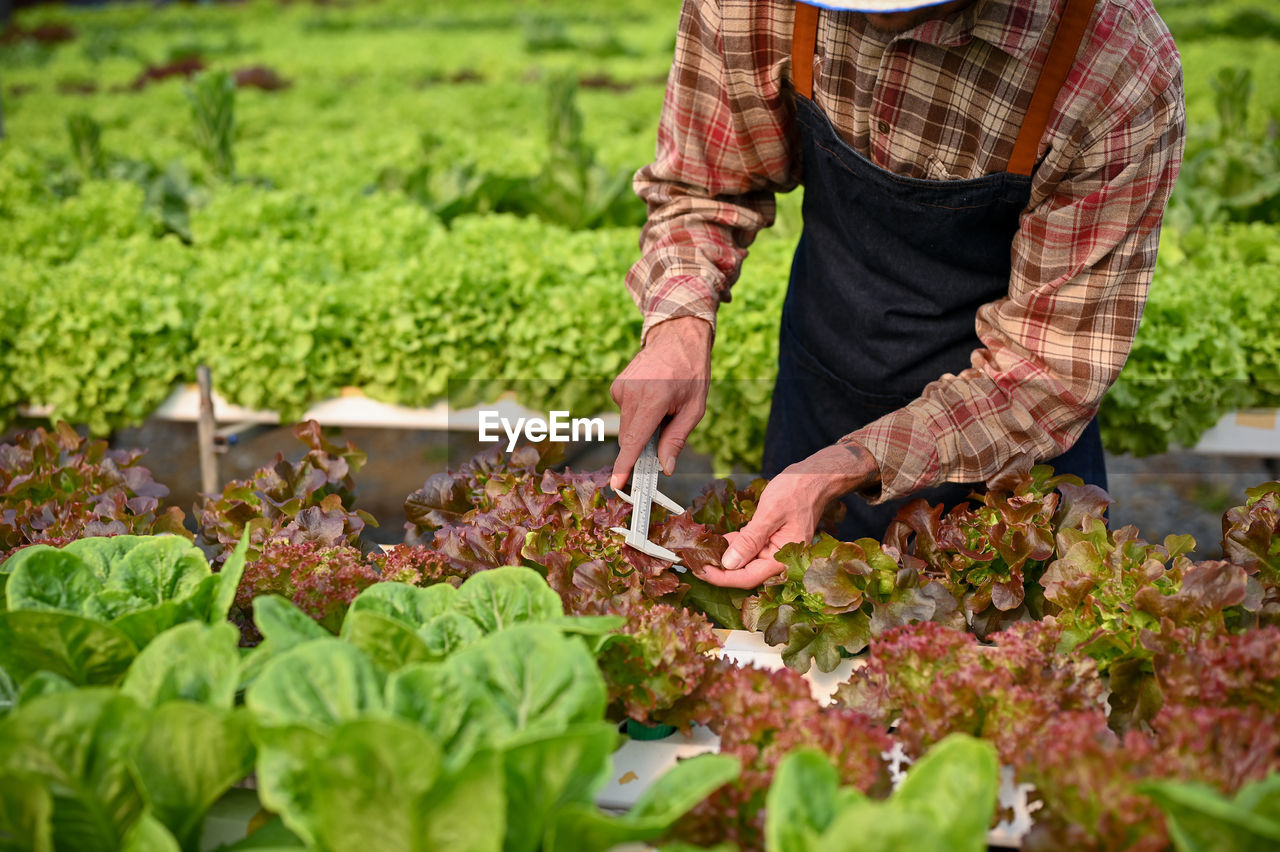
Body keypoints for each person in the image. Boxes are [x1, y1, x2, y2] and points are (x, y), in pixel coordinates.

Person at [609, 0, 1185, 588]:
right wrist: (679, 326)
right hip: (822, 388)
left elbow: (1045, 374)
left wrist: (843, 466)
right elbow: (700, 188)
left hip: (1011, 467)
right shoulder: (755, 6)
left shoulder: (1115, 66)